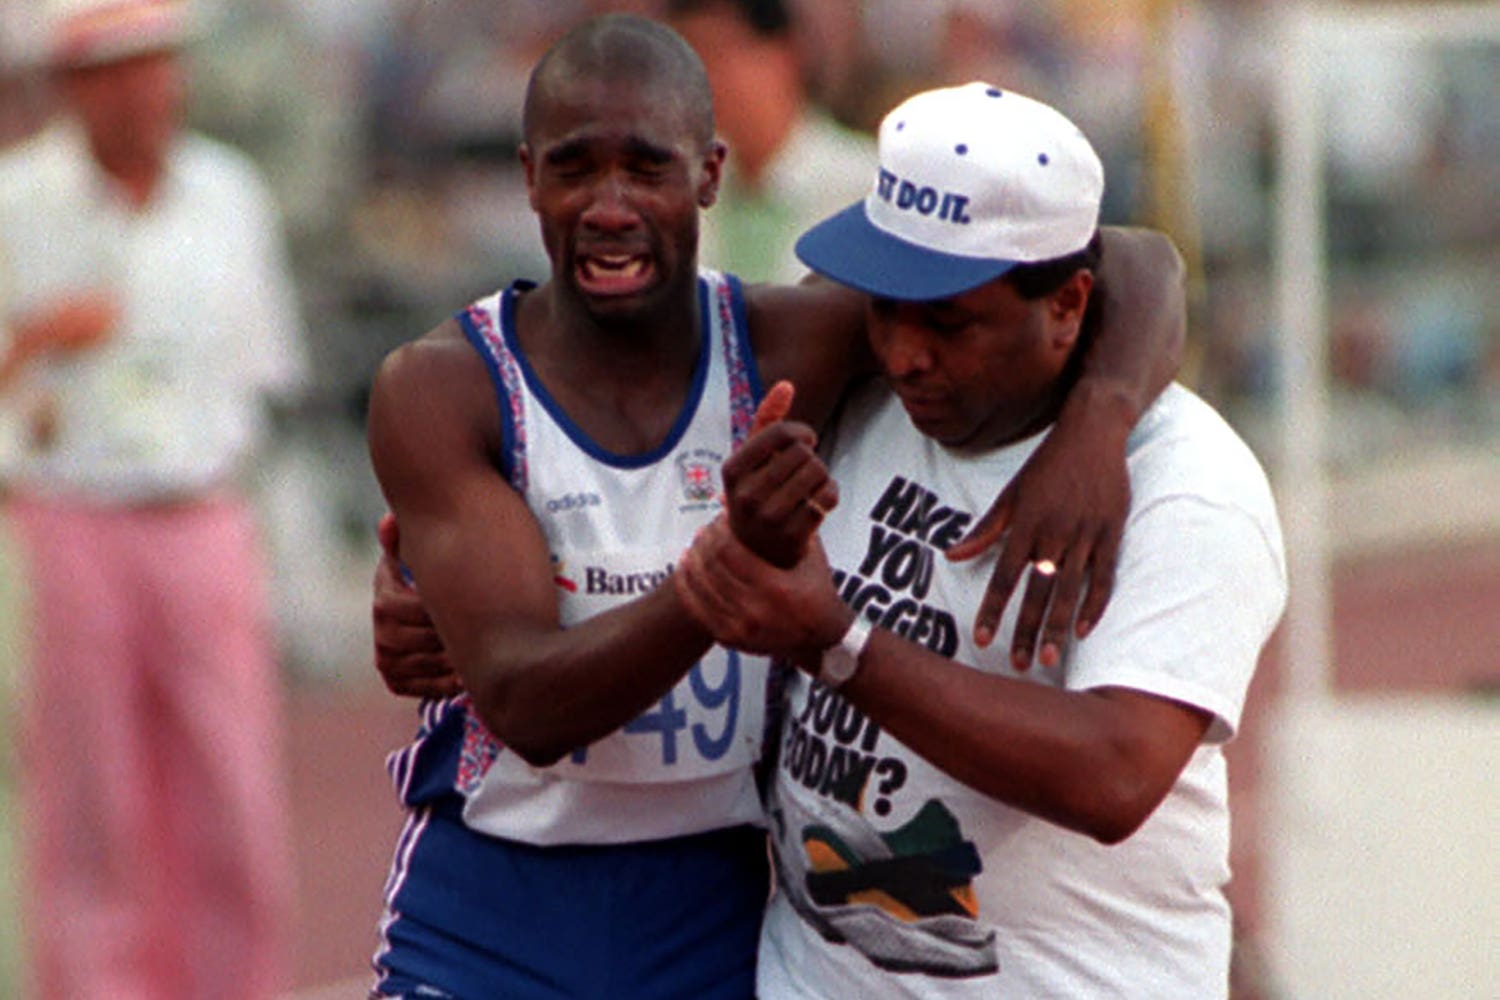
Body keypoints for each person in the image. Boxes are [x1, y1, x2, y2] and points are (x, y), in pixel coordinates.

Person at [365, 14, 1185, 998]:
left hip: (709, 908)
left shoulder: (787, 342)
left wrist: (1097, 424)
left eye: (647, 167)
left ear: (709, 175)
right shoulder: (444, 387)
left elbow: (1134, 260)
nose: (611, 205)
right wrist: (729, 566)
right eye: (576, 168)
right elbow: (528, 705)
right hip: (495, 906)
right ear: (528, 176)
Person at [672, 83, 1287, 998]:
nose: (905, 352)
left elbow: (1113, 775)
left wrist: (837, 643)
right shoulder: (859, 390)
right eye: (884, 306)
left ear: (1069, 305)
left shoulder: (1188, 485)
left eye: (949, 322)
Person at [0, 2, 305, 996]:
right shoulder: (18, 202)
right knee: (92, 800)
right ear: (72, 84)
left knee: (234, 787)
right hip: (67, 514)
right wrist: (37, 339)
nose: (144, 90)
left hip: (202, 509)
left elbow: (266, 369)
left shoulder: (226, 193)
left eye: (156, 65)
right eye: (115, 70)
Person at [666, 0, 875, 284]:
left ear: (786, 53)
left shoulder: (865, 184)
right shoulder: (684, 191)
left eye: (717, 52)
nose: (704, 79)